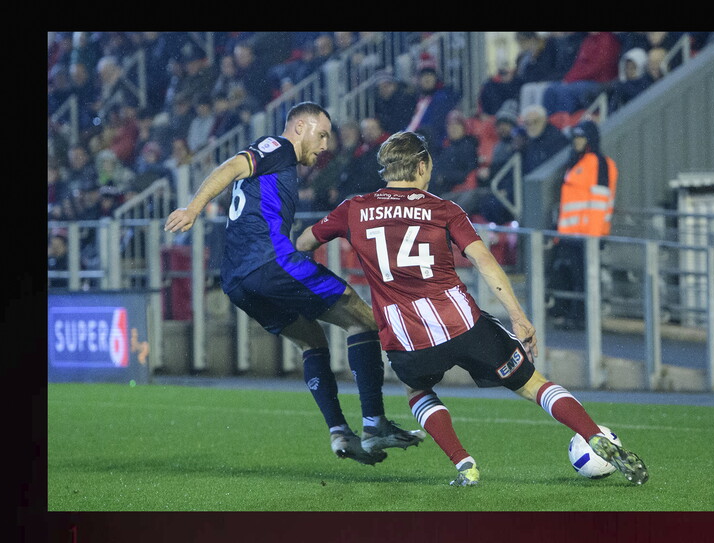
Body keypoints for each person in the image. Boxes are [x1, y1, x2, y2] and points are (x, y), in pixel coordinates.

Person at [295, 130, 648, 486]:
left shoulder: (354, 209)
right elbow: (485, 262)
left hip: (407, 340)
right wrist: (519, 316)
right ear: (421, 165)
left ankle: (464, 463)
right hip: (464, 325)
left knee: (416, 390)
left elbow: (305, 240)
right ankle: (592, 434)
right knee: (531, 384)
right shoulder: (444, 209)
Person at [164, 101, 425, 465]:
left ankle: (339, 432)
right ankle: (374, 424)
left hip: (237, 280)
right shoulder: (279, 147)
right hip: (271, 262)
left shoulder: (281, 163)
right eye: (321, 135)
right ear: (299, 127)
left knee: (312, 340)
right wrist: (193, 209)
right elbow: (231, 166)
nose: (324, 146)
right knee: (360, 317)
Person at [549, 120, 618, 327]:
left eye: (581, 137)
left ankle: (580, 319)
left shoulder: (599, 163)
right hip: (570, 235)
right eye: (575, 138)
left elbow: (600, 202)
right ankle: (571, 316)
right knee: (570, 277)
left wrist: (593, 237)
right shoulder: (576, 162)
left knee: (583, 280)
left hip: (586, 235)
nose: (577, 142)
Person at [541, 32, 621, 116]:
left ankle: (564, 123)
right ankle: (549, 124)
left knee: (566, 91)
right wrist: (568, 79)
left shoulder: (607, 39)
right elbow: (578, 64)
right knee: (550, 90)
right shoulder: (588, 40)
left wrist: (572, 80)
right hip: (582, 80)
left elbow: (597, 66)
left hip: (600, 82)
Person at [609, 48, 654, 114]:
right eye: (627, 68)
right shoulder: (621, 86)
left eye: (633, 68)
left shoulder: (647, 81)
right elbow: (613, 107)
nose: (629, 71)